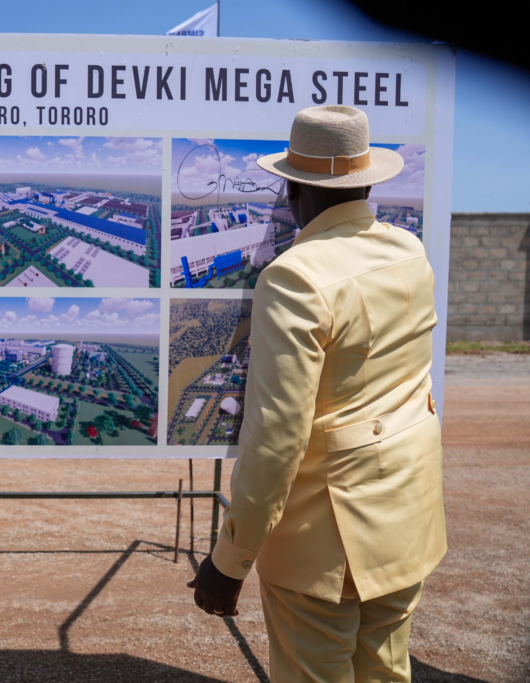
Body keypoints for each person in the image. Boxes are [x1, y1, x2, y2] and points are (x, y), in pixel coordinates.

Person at [188, 105, 445, 682]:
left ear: (293, 189)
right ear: (368, 183)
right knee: (386, 669)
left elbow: (276, 439)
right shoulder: (410, 251)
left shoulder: (294, 277)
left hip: (325, 539)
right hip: (406, 513)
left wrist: (229, 561)